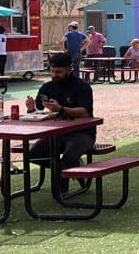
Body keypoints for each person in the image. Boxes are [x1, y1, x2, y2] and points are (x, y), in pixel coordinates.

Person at [24, 53, 95, 191]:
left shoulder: (82, 87)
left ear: (70, 70)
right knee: (33, 156)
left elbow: (85, 112)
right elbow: (39, 110)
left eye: (59, 72)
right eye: (52, 71)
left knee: (67, 159)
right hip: (55, 133)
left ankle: (62, 193)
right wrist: (31, 108)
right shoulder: (47, 87)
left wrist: (61, 109)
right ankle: (74, 167)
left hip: (81, 132)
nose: (55, 74)